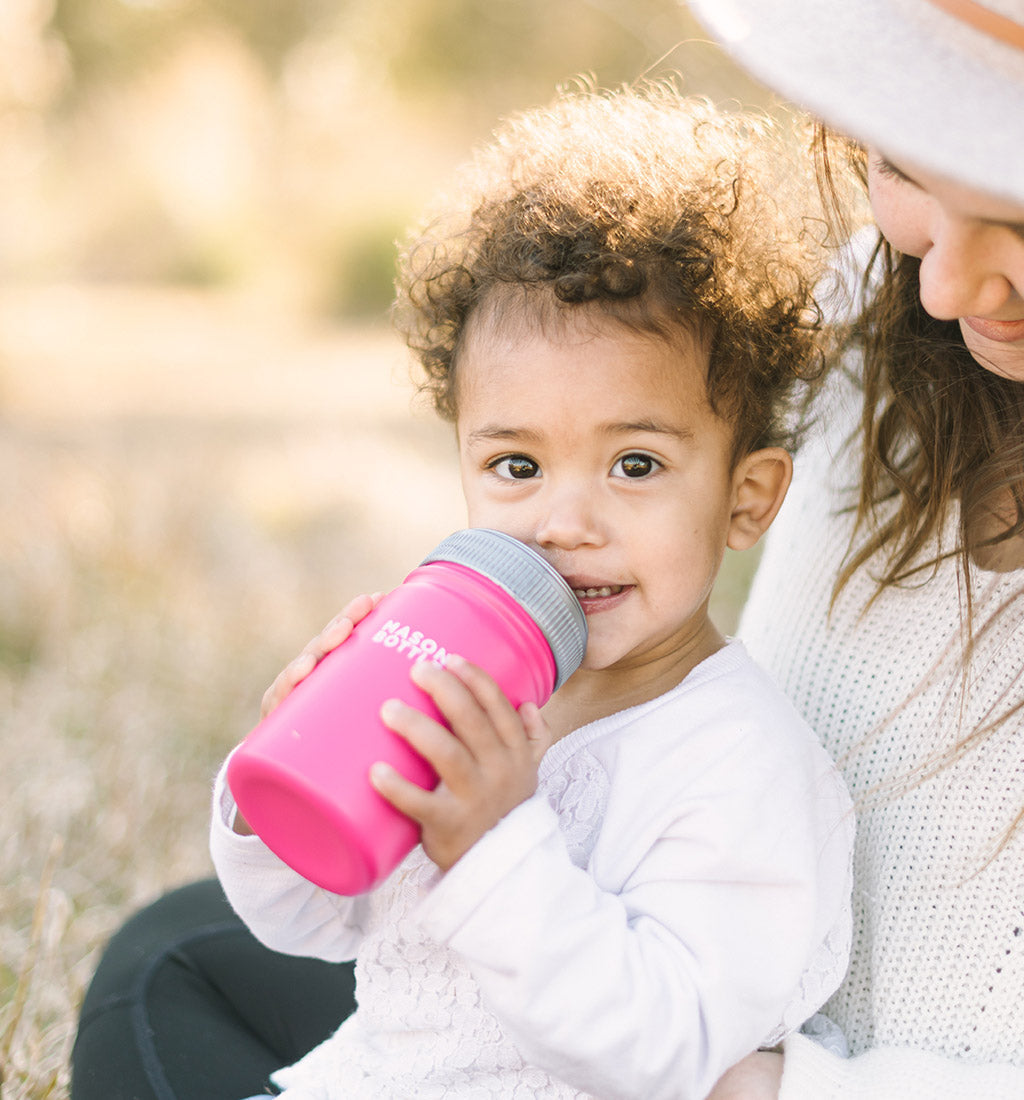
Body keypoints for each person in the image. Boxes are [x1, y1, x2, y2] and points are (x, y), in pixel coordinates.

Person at [72, 85, 854, 1099]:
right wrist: (290, 782)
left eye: (634, 465)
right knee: (154, 977)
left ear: (745, 498)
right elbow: (316, 920)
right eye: (516, 466)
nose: (562, 522)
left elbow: (671, 1050)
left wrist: (494, 843)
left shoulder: (739, 763)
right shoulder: (470, 682)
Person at [683, 1, 1024, 1097]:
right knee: (189, 961)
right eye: (903, 171)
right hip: (671, 1007)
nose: (941, 287)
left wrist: (773, 1088)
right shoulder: (870, 311)